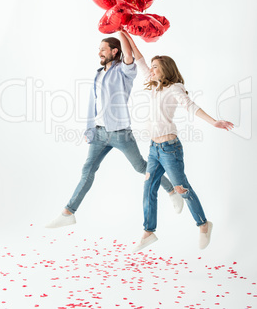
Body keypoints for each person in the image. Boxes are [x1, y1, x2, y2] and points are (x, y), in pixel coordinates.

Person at [46, 33, 183, 229]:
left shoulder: (124, 71)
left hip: (120, 133)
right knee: (88, 170)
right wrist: (90, 128)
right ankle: (68, 212)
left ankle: (171, 191)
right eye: (99, 49)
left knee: (140, 167)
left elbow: (129, 54)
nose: (99, 52)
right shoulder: (99, 73)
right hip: (99, 132)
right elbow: (93, 103)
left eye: (103, 49)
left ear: (114, 51)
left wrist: (121, 30)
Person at [120, 30, 234, 251]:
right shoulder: (153, 84)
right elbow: (140, 60)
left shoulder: (175, 88)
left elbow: (191, 107)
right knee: (148, 188)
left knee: (182, 188)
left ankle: (203, 224)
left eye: (155, 67)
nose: (150, 70)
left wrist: (213, 122)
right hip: (153, 148)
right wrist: (127, 36)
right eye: (151, 67)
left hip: (169, 149)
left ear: (165, 70)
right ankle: (148, 231)